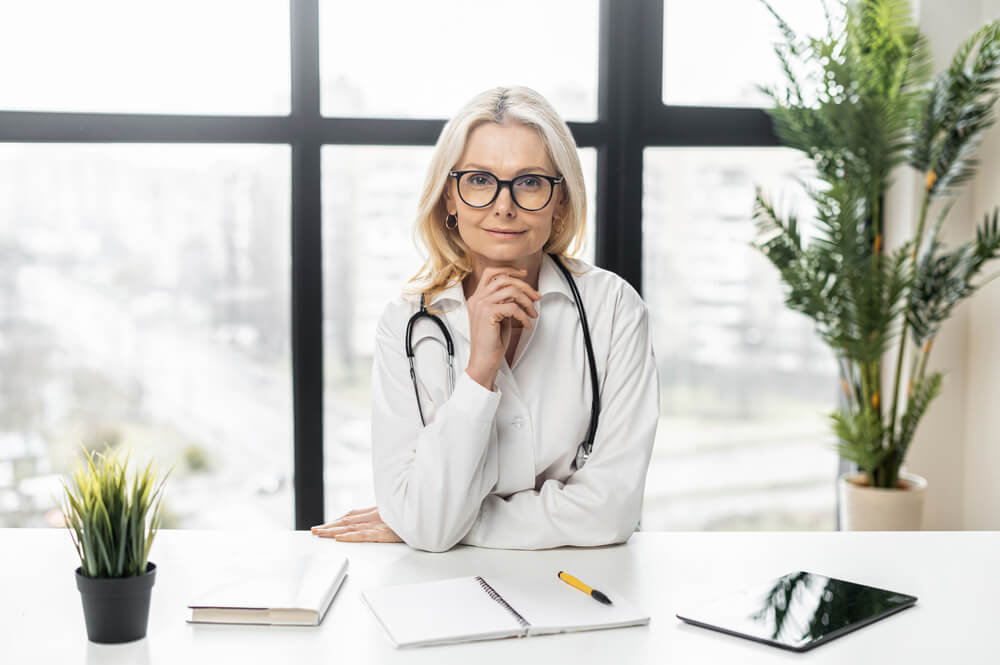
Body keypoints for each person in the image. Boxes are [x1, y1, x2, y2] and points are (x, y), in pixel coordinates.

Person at [311, 86, 659, 552]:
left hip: (582, 588)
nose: (503, 205)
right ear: (448, 198)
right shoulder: (406, 326)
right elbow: (429, 530)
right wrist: (480, 372)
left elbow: (612, 512)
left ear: (560, 201)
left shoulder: (615, 309)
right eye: (479, 179)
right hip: (441, 594)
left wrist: (444, 523)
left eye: (530, 182)